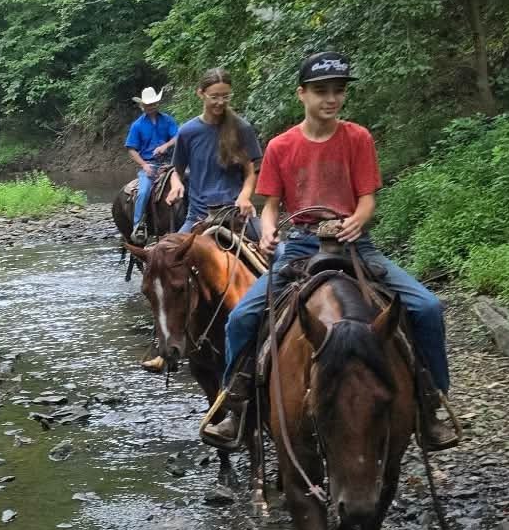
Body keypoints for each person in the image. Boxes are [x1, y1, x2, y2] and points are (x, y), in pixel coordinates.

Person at [200, 50, 460, 450]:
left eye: (338, 91)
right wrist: (268, 232)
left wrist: (358, 218)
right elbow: (271, 205)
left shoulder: (357, 137)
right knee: (241, 319)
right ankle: (238, 409)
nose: (331, 99)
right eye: (321, 91)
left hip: (355, 244)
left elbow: (367, 198)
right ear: (302, 94)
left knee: (426, 307)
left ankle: (431, 404)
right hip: (301, 243)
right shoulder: (282, 146)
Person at [166, 67, 262, 230]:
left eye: (226, 96)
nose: (220, 102)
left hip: (237, 215)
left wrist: (245, 196)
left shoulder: (242, 128)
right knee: (167, 253)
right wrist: (176, 185)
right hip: (198, 217)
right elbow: (176, 170)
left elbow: (251, 171)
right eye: (214, 97)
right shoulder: (187, 132)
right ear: (201, 94)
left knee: (278, 251)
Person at [124, 85, 179, 237]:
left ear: (157, 103)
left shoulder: (168, 120)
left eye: (153, 104)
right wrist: (144, 165)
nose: (151, 107)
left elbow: (178, 136)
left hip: (170, 164)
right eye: (148, 105)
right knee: (143, 191)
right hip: (150, 164)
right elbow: (131, 149)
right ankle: (138, 226)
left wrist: (166, 146)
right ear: (143, 106)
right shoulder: (137, 125)